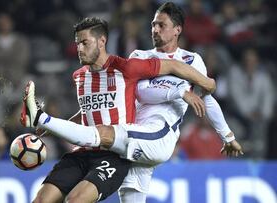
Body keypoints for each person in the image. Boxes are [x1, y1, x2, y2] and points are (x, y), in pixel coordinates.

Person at [21, 17, 216, 203]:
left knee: (75, 200)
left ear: (101, 41)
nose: (79, 49)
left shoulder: (126, 68)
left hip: (112, 156)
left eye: (85, 43)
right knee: (40, 200)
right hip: (81, 153)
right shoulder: (79, 76)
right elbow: (87, 114)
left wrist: (205, 82)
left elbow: (173, 65)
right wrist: (52, 129)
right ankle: (43, 120)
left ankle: (40, 116)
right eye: (77, 43)